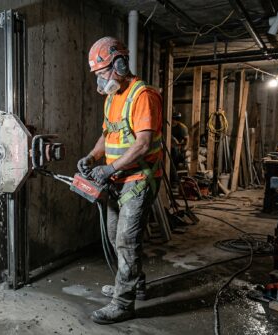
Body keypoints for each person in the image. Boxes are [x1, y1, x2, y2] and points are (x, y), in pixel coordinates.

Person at [77, 36, 163, 324]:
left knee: (127, 240)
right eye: (98, 75)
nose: (100, 81)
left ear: (120, 64)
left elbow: (142, 144)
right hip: (117, 178)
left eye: (103, 73)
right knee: (116, 236)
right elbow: (108, 134)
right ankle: (134, 283)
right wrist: (91, 158)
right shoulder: (113, 97)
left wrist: (109, 168)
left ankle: (123, 303)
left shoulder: (143, 95)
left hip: (138, 179)